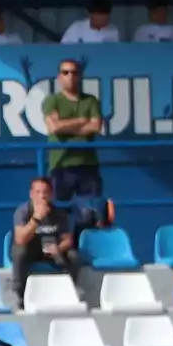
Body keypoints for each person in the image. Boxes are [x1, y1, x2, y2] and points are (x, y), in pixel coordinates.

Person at [41, 59, 109, 227]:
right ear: (59, 77)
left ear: (80, 76)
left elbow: (96, 126)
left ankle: (83, 247)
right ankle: (61, 250)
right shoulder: (53, 100)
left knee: (91, 215)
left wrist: (66, 126)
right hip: (61, 164)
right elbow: (54, 127)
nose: (70, 76)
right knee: (56, 215)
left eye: (74, 72)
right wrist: (81, 120)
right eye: (65, 72)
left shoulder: (90, 100)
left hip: (88, 165)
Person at [10, 175, 84, 301]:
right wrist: (36, 218)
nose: (42, 196)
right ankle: (20, 294)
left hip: (50, 248)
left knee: (73, 255)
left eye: (46, 192)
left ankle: (71, 288)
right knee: (20, 252)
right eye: (38, 192)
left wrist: (59, 248)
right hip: (30, 247)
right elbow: (20, 239)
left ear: (51, 195)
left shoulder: (58, 213)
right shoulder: (23, 211)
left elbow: (67, 239)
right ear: (31, 194)